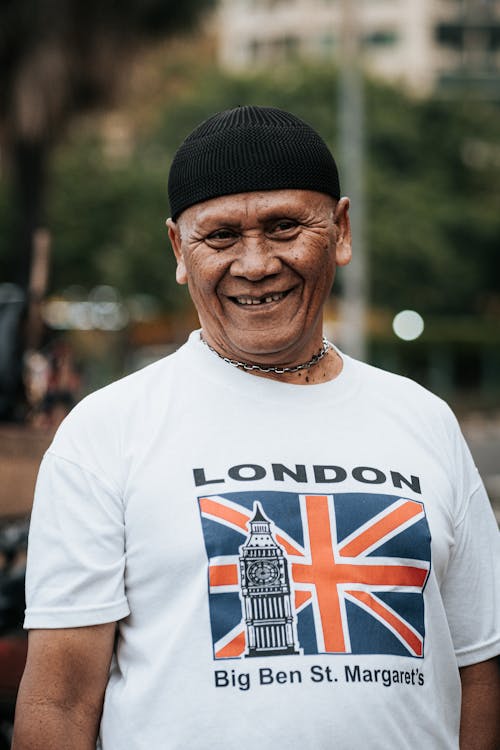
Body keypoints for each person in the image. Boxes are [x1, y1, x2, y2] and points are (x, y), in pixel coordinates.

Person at [13, 106, 500, 750]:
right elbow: (60, 702)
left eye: (285, 227)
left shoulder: (423, 421)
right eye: (220, 237)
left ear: (342, 231)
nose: (256, 263)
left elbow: (479, 669)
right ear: (178, 252)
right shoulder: (106, 433)